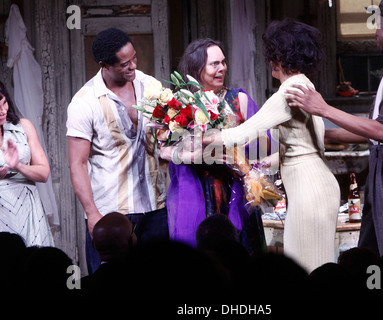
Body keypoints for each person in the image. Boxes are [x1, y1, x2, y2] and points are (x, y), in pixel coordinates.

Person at [286, 0, 383, 286]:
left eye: (378, 21)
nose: (374, 28)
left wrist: (324, 109)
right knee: (371, 256)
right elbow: (374, 132)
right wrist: (321, 133)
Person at [203, 20, 340, 273]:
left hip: (309, 189)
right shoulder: (306, 85)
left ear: (279, 56)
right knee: (317, 265)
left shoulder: (288, 92)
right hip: (318, 184)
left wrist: (200, 137)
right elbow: (303, 146)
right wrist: (265, 163)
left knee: (308, 268)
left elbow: (242, 133)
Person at [66, 28, 168, 274]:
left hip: (155, 205)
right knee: (112, 286)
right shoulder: (84, 102)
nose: (133, 65)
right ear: (104, 65)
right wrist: (92, 214)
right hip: (111, 213)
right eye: (125, 64)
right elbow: (77, 163)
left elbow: (169, 137)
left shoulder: (150, 86)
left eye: (134, 58)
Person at [160, 38, 267, 256]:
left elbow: (263, 144)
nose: (222, 68)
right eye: (214, 64)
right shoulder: (179, 105)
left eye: (223, 62)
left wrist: (237, 152)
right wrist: (195, 155)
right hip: (194, 190)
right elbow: (164, 150)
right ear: (197, 69)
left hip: (234, 190)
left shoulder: (239, 100)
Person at [0, 81, 54, 247]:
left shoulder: (23, 126)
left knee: (34, 261)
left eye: (4, 103)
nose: (3, 111)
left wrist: (19, 166)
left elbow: (44, 173)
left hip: (28, 205)